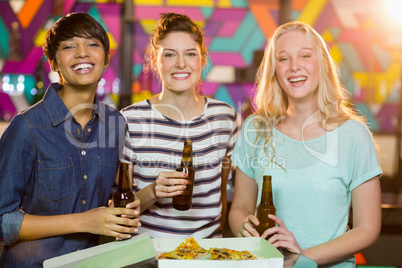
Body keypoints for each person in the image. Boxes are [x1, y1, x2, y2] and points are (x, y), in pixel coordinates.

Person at [229, 21, 382, 267]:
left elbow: (367, 228)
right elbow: (240, 208)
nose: (294, 67)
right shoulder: (255, 129)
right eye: (283, 59)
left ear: (321, 63)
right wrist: (248, 231)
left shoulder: (354, 135)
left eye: (305, 56)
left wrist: (303, 259)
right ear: (274, 70)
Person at [0, 13, 141, 267]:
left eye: (92, 44)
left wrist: (122, 210)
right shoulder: (27, 127)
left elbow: (108, 194)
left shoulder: (115, 124)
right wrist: (85, 221)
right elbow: (3, 221)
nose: (82, 53)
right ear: (53, 62)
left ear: (107, 58)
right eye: (68, 46)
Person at [121, 12, 238, 238]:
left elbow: (222, 194)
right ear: (156, 60)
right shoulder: (130, 120)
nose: (181, 63)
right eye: (170, 55)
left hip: (206, 256)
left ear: (202, 59)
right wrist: (153, 191)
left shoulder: (225, 117)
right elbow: (118, 213)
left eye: (190, 54)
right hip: (146, 258)